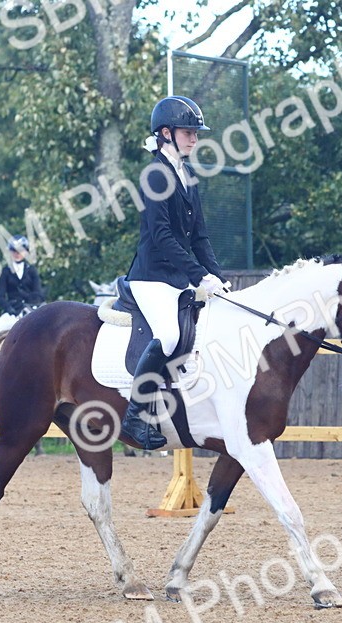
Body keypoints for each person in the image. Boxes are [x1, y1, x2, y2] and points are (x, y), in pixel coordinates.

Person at [121, 95, 229, 449]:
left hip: (178, 279)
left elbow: (199, 236)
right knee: (168, 336)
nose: (194, 140)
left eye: (196, 134)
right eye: (188, 133)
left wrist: (217, 277)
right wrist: (198, 276)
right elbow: (162, 235)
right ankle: (135, 416)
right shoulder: (154, 174)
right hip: (151, 278)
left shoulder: (188, 175)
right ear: (166, 133)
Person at [0, 235, 45, 318]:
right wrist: (8, 308)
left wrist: (30, 304)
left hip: (31, 309)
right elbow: (0, 296)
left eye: (20, 250)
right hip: (12, 310)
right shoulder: (5, 271)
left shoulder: (32, 270)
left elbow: (38, 292)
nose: (17, 253)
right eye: (14, 250)